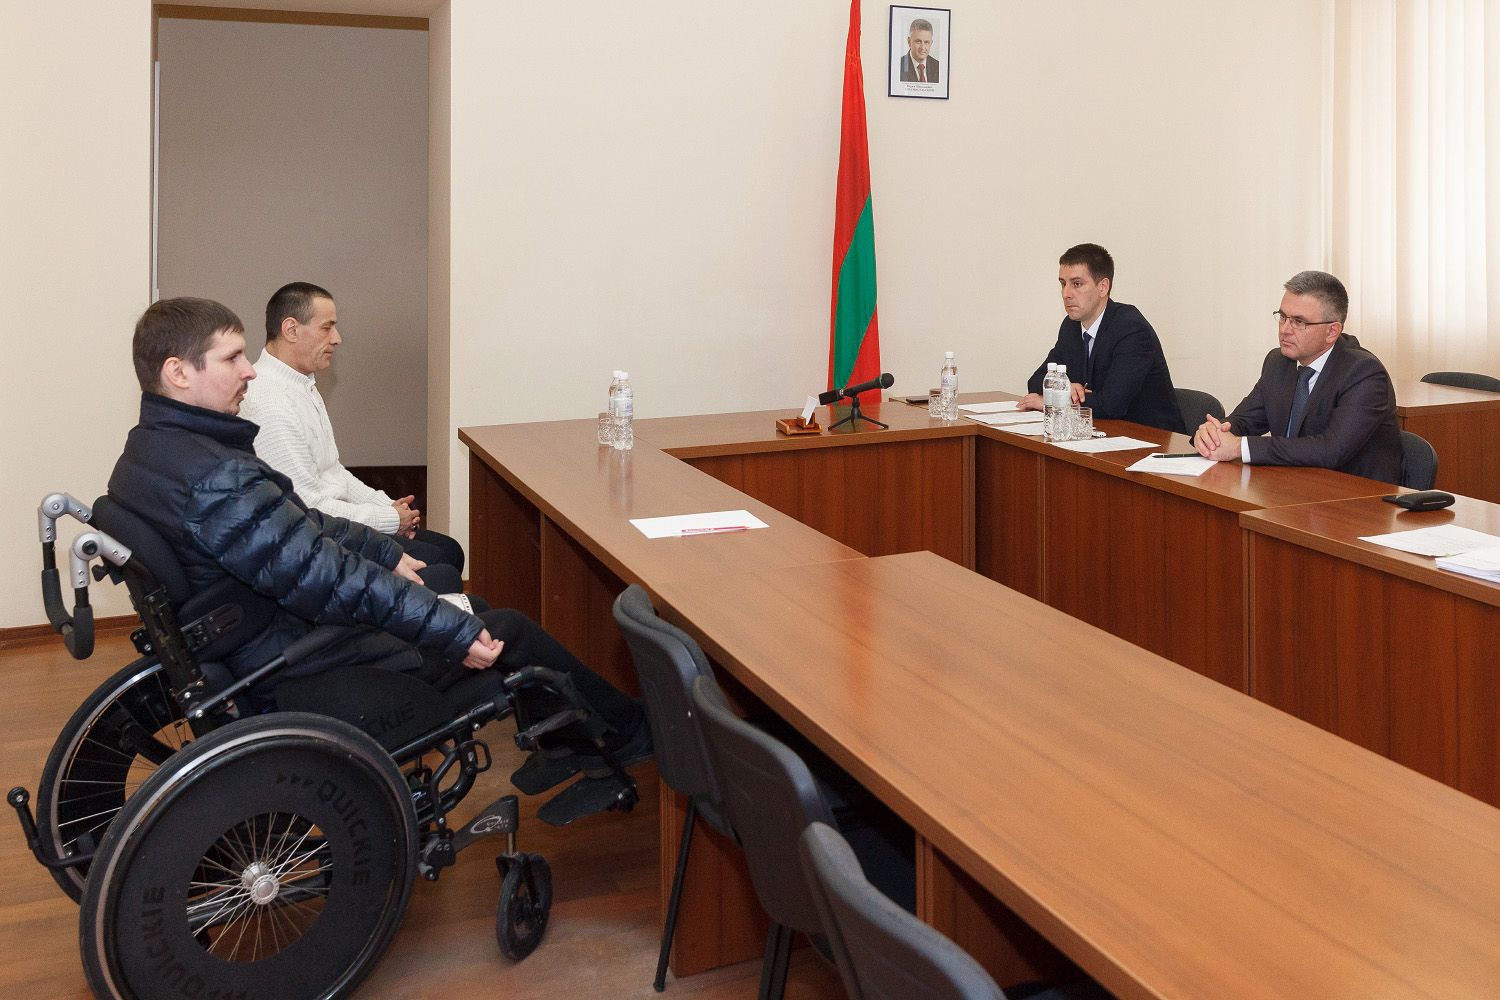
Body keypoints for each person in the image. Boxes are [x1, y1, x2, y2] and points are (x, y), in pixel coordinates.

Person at [109, 296, 648, 771]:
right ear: (179, 372)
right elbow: (323, 575)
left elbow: (298, 525)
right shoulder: (216, 476)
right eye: (232, 358)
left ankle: (568, 746)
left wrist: (383, 551)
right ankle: (628, 736)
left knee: (469, 603)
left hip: (259, 639)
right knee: (508, 627)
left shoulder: (150, 451)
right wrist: (450, 632)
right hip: (300, 658)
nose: (249, 370)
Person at [239, 281, 466, 575]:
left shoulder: (302, 384)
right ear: (291, 329)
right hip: (318, 538)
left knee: (450, 550)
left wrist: (388, 507)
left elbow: (334, 472)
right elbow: (307, 507)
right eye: (327, 328)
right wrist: (389, 520)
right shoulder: (269, 402)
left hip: (337, 524)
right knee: (441, 565)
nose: (337, 339)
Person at [1192, 270, 1403, 484]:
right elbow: (1245, 421)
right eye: (1283, 317)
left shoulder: (1363, 373)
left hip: (1356, 495)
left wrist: (1239, 447)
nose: (1285, 330)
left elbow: (1331, 450)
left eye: (1299, 322)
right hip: (1295, 486)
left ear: (1332, 332)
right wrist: (1213, 434)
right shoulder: (1278, 362)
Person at [1017, 243, 1185, 433]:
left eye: (1077, 284)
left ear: (1103, 287)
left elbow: (1112, 405)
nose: (1066, 294)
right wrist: (1065, 387)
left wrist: (1056, 401)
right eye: (1063, 284)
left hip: (1151, 439)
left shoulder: (1131, 329)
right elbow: (1036, 380)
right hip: (1101, 433)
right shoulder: (1071, 327)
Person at [899, 18, 939, 83]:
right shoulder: (898, 66)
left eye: (926, 42)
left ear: (931, 43)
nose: (922, 47)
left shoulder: (938, 67)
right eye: (918, 41)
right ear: (909, 42)